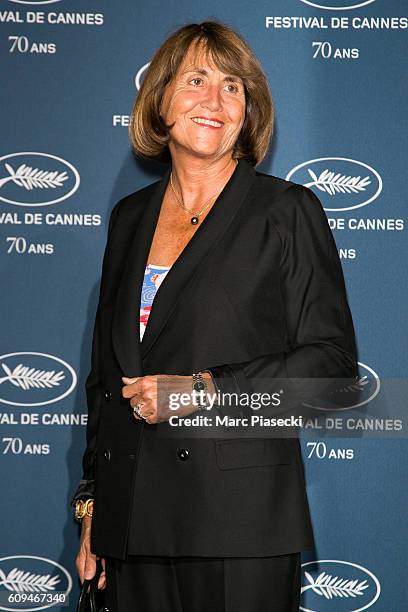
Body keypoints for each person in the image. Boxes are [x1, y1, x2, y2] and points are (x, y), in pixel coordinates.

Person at [71, 20, 358, 612]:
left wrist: (201, 391)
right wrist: (93, 507)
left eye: (233, 86)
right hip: (132, 525)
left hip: (239, 521)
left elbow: (332, 370)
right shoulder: (129, 217)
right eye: (196, 79)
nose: (215, 100)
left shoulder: (286, 211)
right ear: (161, 101)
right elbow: (106, 381)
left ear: (248, 110)